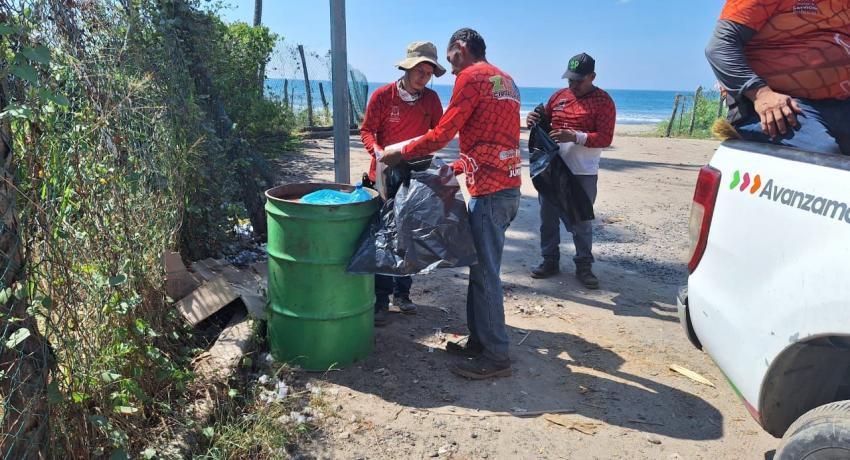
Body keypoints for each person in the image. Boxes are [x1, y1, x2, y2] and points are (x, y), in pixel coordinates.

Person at [380, 28, 521, 380]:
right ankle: (480, 341)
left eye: (450, 58)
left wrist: (402, 151)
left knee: (486, 274)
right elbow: (493, 139)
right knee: (479, 268)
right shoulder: (506, 80)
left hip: (490, 193)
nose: (450, 68)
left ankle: (496, 355)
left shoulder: (472, 78)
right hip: (507, 186)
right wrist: (456, 165)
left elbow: (443, 133)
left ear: (460, 48)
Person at [360, 41, 446, 327]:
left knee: (408, 234)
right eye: (419, 71)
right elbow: (367, 131)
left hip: (414, 173)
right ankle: (381, 299)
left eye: (428, 72)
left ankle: (403, 293)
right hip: (383, 174)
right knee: (384, 235)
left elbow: (439, 133)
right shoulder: (383, 96)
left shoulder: (431, 101)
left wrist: (422, 152)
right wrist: (378, 151)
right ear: (407, 68)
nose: (423, 77)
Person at [705, 0, 850, 155]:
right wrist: (761, 94)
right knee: (826, 157)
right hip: (777, 105)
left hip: (841, 104)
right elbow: (720, 46)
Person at [526, 53, 615, 289]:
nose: (573, 85)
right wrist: (533, 119)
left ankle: (584, 266)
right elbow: (544, 121)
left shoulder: (604, 101)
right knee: (548, 219)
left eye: (579, 81)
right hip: (552, 168)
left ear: (592, 76)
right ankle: (549, 261)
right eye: (570, 80)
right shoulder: (559, 97)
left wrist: (575, 136)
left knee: (581, 221)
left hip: (583, 171)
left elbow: (605, 138)